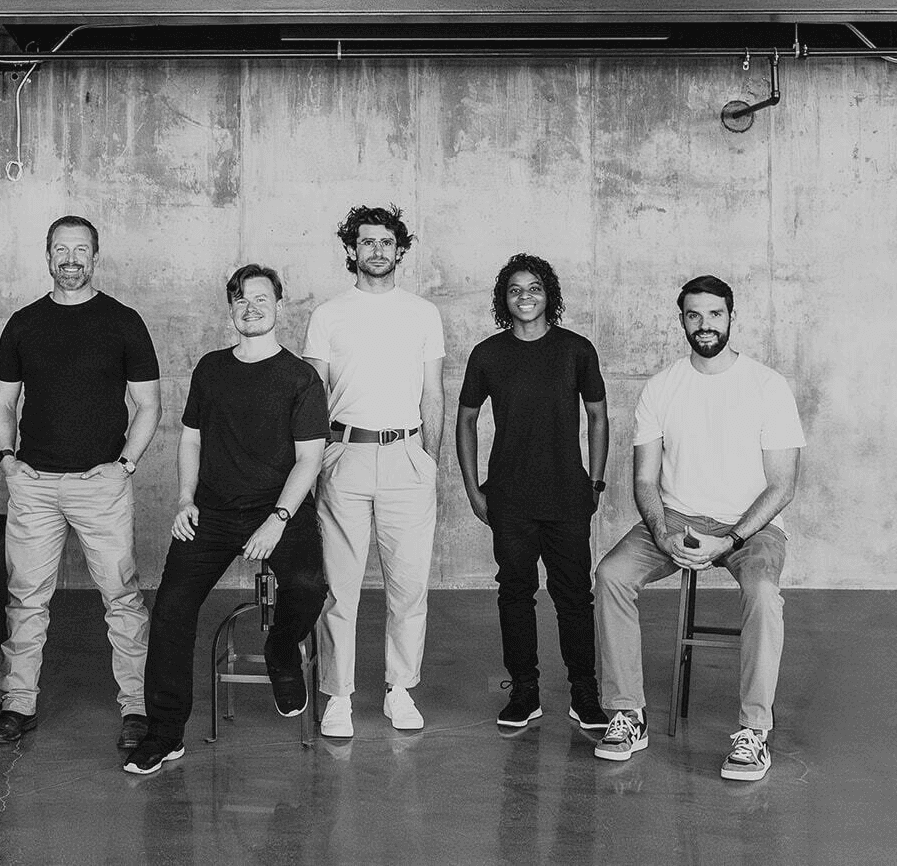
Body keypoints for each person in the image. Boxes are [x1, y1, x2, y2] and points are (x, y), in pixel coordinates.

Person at [592, 275, 803, 781]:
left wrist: (730, 538)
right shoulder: (662, 387)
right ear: (681, 320)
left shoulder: (767, 386)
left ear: (731, 317)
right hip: (676, 518)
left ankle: (754, 732)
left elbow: (781, 486)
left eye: (714, 314)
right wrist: (663, 531)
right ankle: (627, 713)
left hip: (750, 525)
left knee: (763, 593)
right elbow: (644, 478)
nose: (704, 325)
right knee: (612, 576)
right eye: (693, 315)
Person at [123, 265, 328, 775]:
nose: (250, 307)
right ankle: (165, 733)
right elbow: (190, 437)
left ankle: (281, 647)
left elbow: (309, 458)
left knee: (307, 585)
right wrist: (185, 499)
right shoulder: (211, 369)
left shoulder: (300, 377)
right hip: (211, 511)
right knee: (170, 610)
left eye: (261, 298)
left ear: (279, 305)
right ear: (230, 308)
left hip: (278, 509)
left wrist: (278, 519)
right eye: (240, 299)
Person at [0, 215, 161, 750]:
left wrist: (125, 465)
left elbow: (149, 404)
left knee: (122, 597)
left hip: (100, 485)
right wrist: (7, 460)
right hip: (34, 483)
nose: (70, 259)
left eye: (80, 250)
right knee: (26, 599)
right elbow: (2, 402)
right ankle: (18, 706)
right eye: (61, 249)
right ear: (47, 256)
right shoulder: (23, 323)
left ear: (95, 256)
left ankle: (137, 707)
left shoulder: (123, 322)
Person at [303, 203, 445, 737]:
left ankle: (399, 689)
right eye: (366, 242)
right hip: (345, 454)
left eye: (386, 242)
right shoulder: (328, 314)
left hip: (408, 454)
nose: (377, 251)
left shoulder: (423, 313)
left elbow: (433, 393)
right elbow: (311, 396)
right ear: (352, 250)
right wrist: (318, 461)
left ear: (400, 249)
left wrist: (429, 461)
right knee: (339, 585)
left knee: (408, 585)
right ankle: (338, 694)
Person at [455, 254, 611, 731]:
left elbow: (598, 415)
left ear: (550, 295)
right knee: (515, 594)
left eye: (535, 288)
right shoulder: (488, 354)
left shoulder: (576, 350)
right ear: (504, 299)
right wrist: (472, 490)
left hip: (566, 494)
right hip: (510, 497)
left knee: (574, 597)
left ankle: (585, 693)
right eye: (516, 289)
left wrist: (595, 482)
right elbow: (465, 420)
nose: (526, 296)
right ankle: (523, 692)